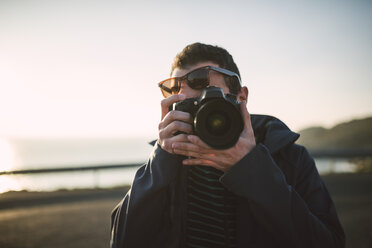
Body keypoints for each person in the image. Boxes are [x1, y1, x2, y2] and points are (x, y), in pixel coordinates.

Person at [110, 42, 345, 248]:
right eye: (187, 105)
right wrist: (161, 158)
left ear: (241, 96)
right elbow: (122, 242)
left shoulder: (289, 157)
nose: (199, 115)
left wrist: (251, 169)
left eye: (205, 93)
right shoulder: (166, 161)